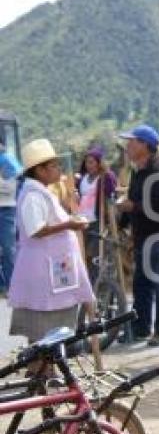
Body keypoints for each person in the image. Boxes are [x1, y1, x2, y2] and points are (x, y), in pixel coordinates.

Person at [8, 139, 93, 343]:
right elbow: (36, 230)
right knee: (43, 328)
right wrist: (69, 225)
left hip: (54, 270)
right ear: (39, 170)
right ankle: (41, 369)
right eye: (53, 166)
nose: (58, 170)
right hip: (42, 272)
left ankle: (45, 368)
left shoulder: (42, 192)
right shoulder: (32, 195)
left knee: (52, 329)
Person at [117, 125, 159, 347]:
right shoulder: (137, 170)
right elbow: (132, 200)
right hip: (142, 236)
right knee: (142, 285)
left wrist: (133, 207)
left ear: (144, 145)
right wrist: (123, 222)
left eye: (132, 142)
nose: (128, 146)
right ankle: (140, 328)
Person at [76, 146, 117, 278]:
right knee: (84, 255)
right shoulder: (82, 178)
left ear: (99, 163)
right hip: (83, 221)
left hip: (97, 221)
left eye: (92, 162)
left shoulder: (105, 177)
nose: (89, 165)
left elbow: (111, 195)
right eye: (87, 162)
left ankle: (100, 286)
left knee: (96, 254)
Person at [0, 141, 22, 294]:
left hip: (6, 209)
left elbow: (20, 176)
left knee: (9, 249)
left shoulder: (7, 158)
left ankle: (13, 286)